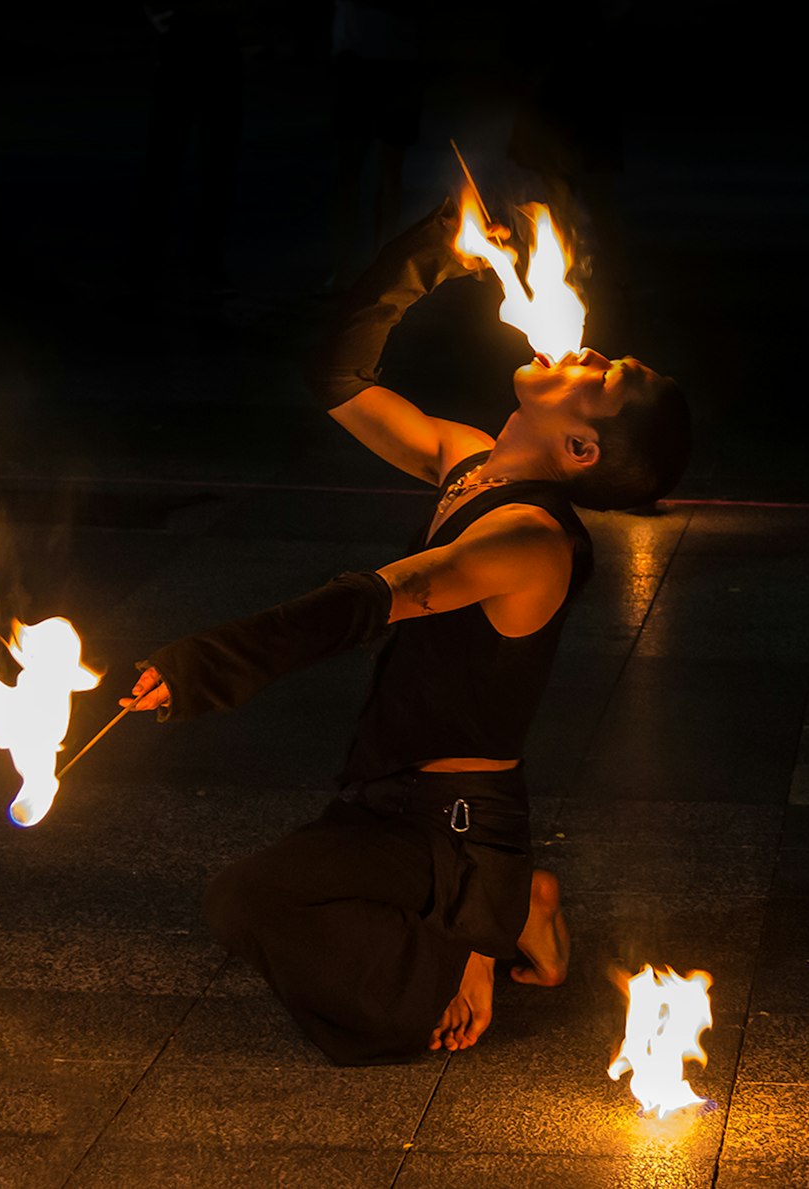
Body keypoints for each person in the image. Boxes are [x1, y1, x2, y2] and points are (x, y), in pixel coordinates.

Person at [121, 200, 692, 1065]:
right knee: (252, 904)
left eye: (603, 374)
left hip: (457, 825)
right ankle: (505, 905)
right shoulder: (467, 459)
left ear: (580, 447)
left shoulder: (529, 543)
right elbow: (338, 379)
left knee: (265, 920)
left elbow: (366, 602)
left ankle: (493, 914)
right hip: (388, 796)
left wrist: (205, 667)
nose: (588, 349)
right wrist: (435, 247)